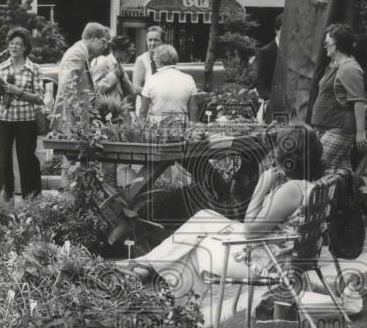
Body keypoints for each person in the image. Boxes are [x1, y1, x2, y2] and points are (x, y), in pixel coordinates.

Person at [117, 124, 323, 301]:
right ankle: (148, 269)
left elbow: (250, 231)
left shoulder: (289, 190)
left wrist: (263, 184)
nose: (274, 152)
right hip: (276, 251)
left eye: (278, 147)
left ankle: (177, 304)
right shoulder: (305, 185)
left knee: (195, 248)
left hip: (269, 263)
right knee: (204, 217)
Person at [0, 26, 44, 201]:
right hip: (3, 120)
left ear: (25, 47)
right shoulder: (1, 68)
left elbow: (39, 98)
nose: (14, 47)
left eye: (19, 44)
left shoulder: (34, 69)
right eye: (12, 43)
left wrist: (19, 92)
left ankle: (32, 202)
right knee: (2, 161)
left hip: (27, 121)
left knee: (27, 162)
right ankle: (4, 204)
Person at [310, 23, 367, 176]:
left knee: (314, 167)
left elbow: (358, 101)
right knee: (337, 174)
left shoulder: (349, 68)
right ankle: (344, 199)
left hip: (339, 128)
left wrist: (360, 132)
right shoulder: (335, 66)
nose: (325, 46)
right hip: (325, 127)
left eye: (327, 43)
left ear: (338, 44)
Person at [50, 21, 111, 132]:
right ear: (94, 38)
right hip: (70, 123)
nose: (106, 47)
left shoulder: (82, 53)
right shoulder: (77, 53)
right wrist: (79, 116)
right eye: (104, 41)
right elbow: (67, 87)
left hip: (75, 123)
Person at [138, 44, 197, 124]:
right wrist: (193, 127)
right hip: (181, 125)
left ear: (158, 60)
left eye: (155, 60)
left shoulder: (151, 80)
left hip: (157, 126)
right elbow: (193, 109)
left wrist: (140, 129)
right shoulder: (189, 79)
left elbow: (143, 111)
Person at [249, 13, 283, 118]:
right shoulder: (265, 52)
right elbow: (260, 83)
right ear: (277, 30)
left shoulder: (294, 51)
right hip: (272, 106)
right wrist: (270, 101)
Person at [90, 34, 134, 107]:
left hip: (118, 110)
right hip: (105, 112)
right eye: (128, 51)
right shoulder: (102, 63)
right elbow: (94, 90)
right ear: (118, 51)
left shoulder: (120, 66)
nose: (130, 54)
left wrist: (123, 78)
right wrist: (113, 76)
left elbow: (130, 92)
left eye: (132, 51)